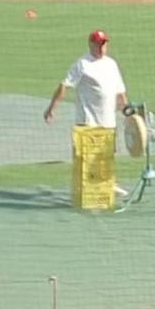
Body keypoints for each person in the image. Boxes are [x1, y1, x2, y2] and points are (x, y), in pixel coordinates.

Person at [44, 29, 129, 196]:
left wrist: (126, 111)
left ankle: (109, 182)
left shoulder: (111, 64)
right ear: (91, 44)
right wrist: (52, 108)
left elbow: (120, 91)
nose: (101, 47)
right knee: (87, 157)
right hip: (88, 120)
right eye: (98, 44)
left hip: (108, 119)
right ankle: (84, 189)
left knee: (108, 153)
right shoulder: (82, 64)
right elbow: (64, 86)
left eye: (104, 44)